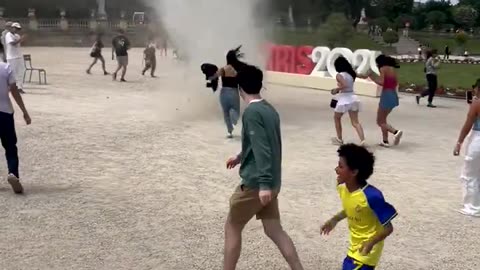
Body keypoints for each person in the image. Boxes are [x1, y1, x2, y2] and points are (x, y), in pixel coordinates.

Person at [224, 65, 304, 270]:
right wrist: (240, 156)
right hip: (272, 181)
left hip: (257, 183)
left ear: (240, 89)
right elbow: (264, 143)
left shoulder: (251, 112)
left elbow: (262, 149)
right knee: (274, 229)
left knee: (233, 226)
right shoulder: (269, 108)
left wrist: (264, 184)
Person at [321, 144, 397, 270]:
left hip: (366, 254)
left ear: (354, 172)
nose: (336, 169)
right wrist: (334, 220)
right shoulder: (342, 187)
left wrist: (371, 242)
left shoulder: (372, 196)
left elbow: (388, 228)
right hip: (354, 249)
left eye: (340, 166)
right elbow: (351, 208)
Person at [0, 60, 31, 194]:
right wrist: (24, 111)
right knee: (10, 147)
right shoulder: (5, 67)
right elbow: (14, 91)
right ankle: (13, 174)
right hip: (5, 112)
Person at [453, 79, 480, 217]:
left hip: (478, 139)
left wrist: (459, 142)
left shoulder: (477, 103)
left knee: (470, 173)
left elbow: (468, 124)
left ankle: (472, 207)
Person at [365, 55, 403, 147]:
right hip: (393, 95)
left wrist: (371, 77)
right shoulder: (392, 69)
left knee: (380, 121)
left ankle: (395, 132)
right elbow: (394, 82)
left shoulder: (383, 68)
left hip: (386, 95)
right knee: (383, 120)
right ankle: (385, 141)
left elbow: (381, 82)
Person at [210, 46, 247, 138]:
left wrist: (210, 77)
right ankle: (232, 121)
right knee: (236, 111)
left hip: (223, 92)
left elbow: (214, 76)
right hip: (233, 92)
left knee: (225, 113)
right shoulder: (237, 70)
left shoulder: (223, 69)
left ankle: (229, 132)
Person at [330, 57, 365, 146]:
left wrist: (336, 89)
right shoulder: (351, 74)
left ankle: (339, 138)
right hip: (353, 97)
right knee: (355, 122)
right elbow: (362, 76)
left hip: (344, 98)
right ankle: (362, 140)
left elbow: (344, 85)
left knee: (337, 118)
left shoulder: (339, 75)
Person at [5, 22, 26, 94]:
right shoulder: (8, 35)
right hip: (11, 57)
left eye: (18, 29)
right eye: (15, 28)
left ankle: (20, 87)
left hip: (19, 56)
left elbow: (20, 44)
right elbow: (12, 43)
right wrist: (21, 39)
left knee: (21, 72)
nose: (17, 30)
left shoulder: (17, 35)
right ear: (12, 28)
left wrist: (23, 40)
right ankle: (11, 87)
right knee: (12, 73)